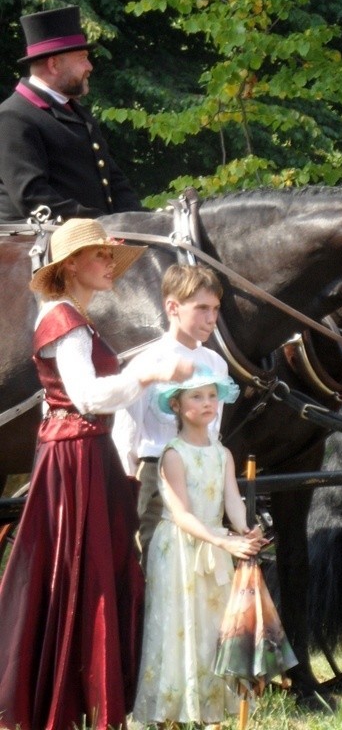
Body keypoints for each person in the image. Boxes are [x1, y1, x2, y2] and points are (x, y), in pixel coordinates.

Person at [0, 218, 193, 730]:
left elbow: (57, 403)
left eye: (111, 257)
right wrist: (145, 372)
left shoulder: (71, 318)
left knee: (93, 571)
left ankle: (82, 695)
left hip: (81, 451)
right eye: (100, 257)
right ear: (69, 266)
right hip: (76, 457)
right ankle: (75, 700)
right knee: (83, 574)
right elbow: (85, 397)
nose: (110, 265)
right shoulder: (64, 321)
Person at [132, 366, 265, 727]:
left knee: (212, 625)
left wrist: (245, 529)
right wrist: (222, 538)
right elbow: (182, 515)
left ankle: (209, 707)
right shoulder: (173, 455)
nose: (207, 403)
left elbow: (232, 500)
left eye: (211, 396)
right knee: (179, 624)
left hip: (215, 545)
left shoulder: (222, 453)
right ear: (176, 405)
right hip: (180, 547)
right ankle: (172, 709)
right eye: (197, 396)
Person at [113, 263, 228, 568]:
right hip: (156, 477)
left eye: (215, 308)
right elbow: (126, 433)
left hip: (202, 472)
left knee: (201, 562)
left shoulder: (215, 363)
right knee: (156, 560)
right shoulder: (148, 361)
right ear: (173, 307)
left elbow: (214, 428)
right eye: (202, 307)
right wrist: (125, 490)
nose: (211, 318)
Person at [0, 4, 143, 222]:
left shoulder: (77, 113)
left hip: (93, 241)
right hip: (36, 247)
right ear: (54, 64)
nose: (90, 66)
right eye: (82, 57)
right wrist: (101, 224)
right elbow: (33, 198)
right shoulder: (13, 117)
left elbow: (115, 182)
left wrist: (141, 223)